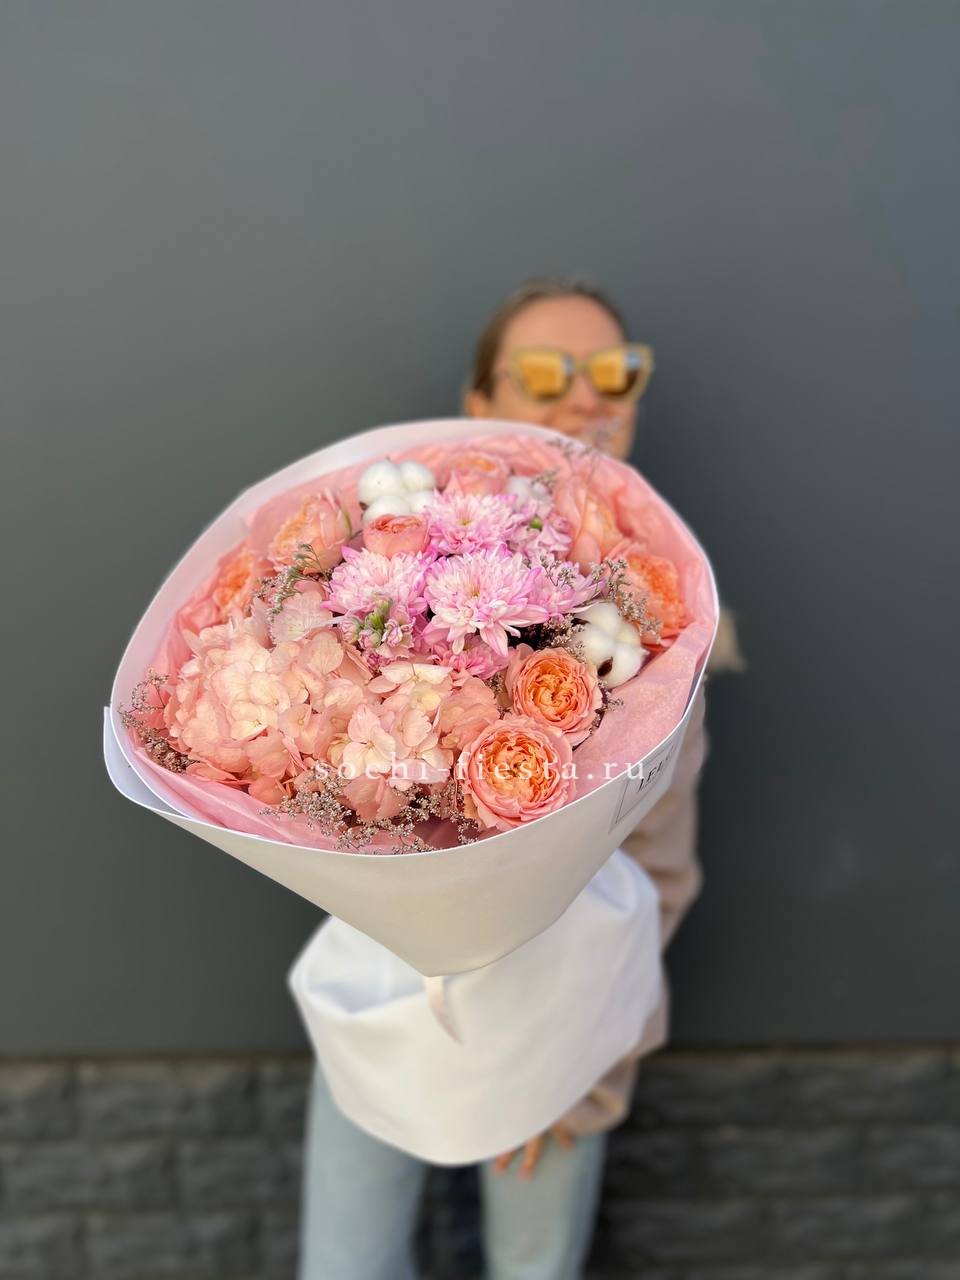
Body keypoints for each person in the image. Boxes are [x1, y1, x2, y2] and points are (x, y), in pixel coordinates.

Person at [297, 277, 744, 1280]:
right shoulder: (379, 566)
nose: (585, 395)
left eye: (615, 373)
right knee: (345, 1263)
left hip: (560, 1030)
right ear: (481, 402)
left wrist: (587, 1071)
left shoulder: (663, 623)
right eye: (545, 373)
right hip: (385, 991)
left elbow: (659, 869)